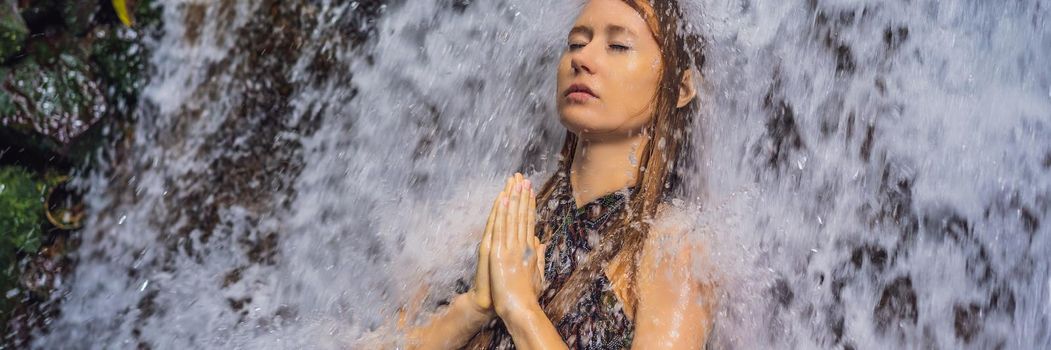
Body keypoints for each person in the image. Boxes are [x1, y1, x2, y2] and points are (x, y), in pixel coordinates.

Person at [401, 0, 716, 348]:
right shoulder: (494, 213)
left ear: (682, 88)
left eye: (618, 46)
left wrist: (520, 309)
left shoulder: (674, 247)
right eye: (577, 43)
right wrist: (475, 307)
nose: (582, 59)